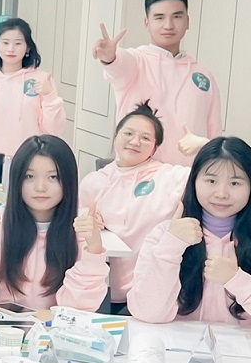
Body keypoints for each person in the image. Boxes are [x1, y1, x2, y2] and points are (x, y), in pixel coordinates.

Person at [126, 137, 251, 337]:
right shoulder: (165, 234)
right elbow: (147, 313)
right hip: (178, 351)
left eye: (235, 183)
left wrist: (237, 280)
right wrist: (171, 247)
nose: (221, 193)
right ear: (194, 182)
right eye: (211, 181)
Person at [0, 135, 110, 314]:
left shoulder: (80, 228)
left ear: (68, 181)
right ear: (16, 179)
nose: (40, 187)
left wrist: (94, 250)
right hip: (1, 328)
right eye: (29, 176)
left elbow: (79, 308)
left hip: (56, 329)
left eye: (53, 177)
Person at [93, 0, 221, 166]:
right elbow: (118, 65)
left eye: (177, 16)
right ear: (147, 23)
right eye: (159, 17)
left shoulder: (203, 75)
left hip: (187, 177)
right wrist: (109, 57)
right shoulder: (137, 61)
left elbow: (214, 135)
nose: (168, 25)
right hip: (139, 176)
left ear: (188, 21)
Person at [76, 105, 189, 311]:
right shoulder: (94, 182)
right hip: (106, 291)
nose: (135, 141)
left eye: (146, 138)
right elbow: (78, 223)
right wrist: (89, 221)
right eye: (128, 133)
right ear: (115, 136)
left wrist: (203, 147)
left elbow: (212, 174)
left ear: (155, 148)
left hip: (151, 291)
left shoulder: (170, 178)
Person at [0, 16, 67, 162]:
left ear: (27, 47)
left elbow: (53, 131)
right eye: (5, 43)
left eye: (18, 43)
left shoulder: (42, 79)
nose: (11, 49)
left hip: (31, 162)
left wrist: (50, 96)